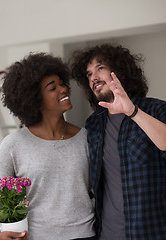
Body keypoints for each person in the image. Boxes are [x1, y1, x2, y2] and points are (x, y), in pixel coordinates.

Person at [0, 52, 95, 240]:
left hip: (85, 235)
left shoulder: (86, 138)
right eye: (52, 88)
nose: (63, 89)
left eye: (62, 84)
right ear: (35, 99)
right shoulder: (13, 145)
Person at [69, 43, 166, 240]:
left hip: (150, 232)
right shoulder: (94, 123)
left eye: (100, 68)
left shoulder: (156, 110)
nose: (93, 77)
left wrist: (133, 112)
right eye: (88, 74)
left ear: (119, 70)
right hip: (106, 234)